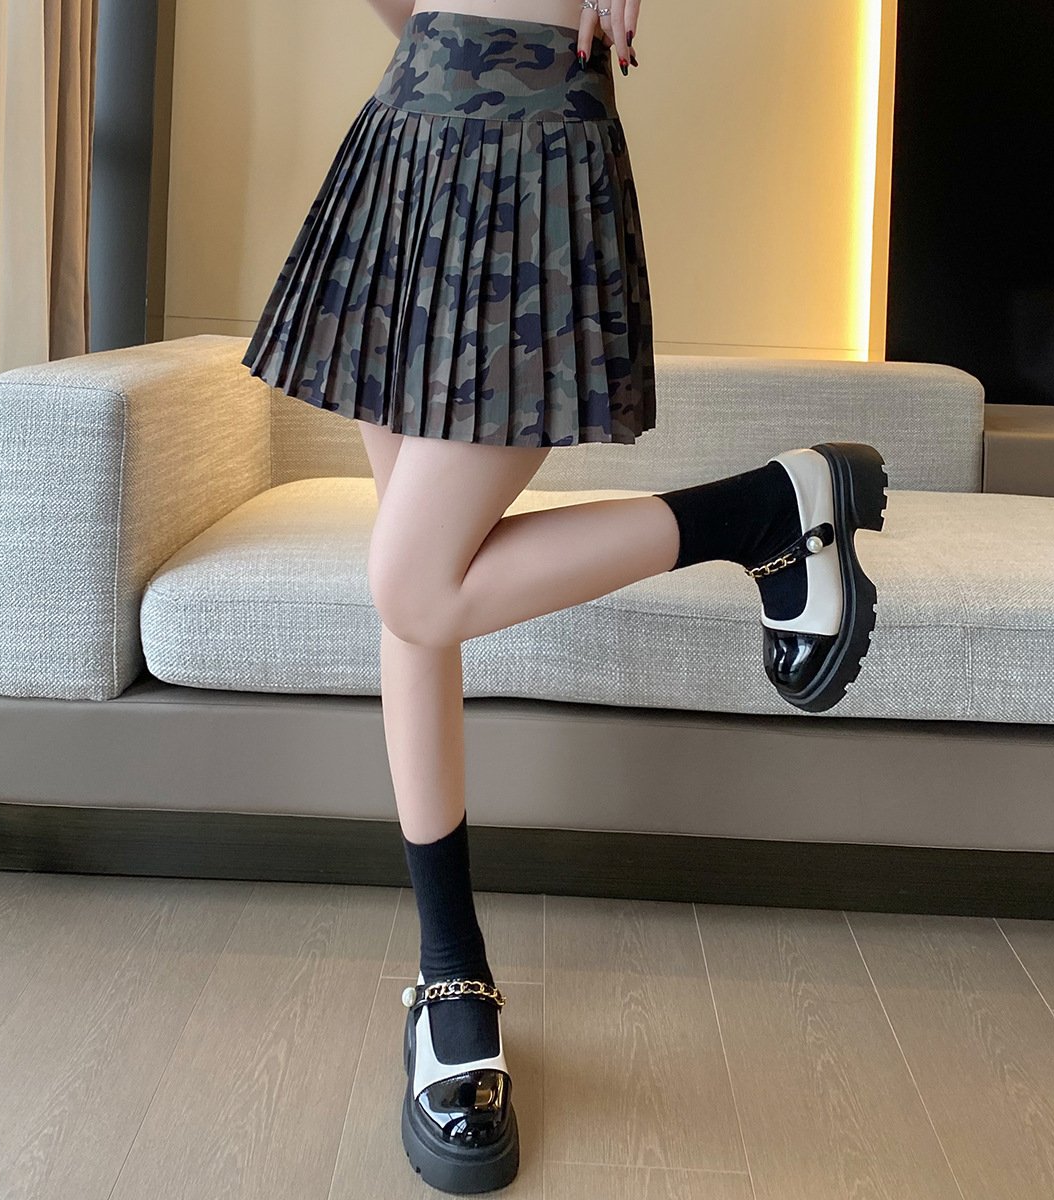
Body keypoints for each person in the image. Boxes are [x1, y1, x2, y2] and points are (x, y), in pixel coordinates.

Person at [241, 1, 889, 1192]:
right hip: (411, 131)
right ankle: (451, 971)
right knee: (416, 589)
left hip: (535, 140)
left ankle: (765, 512)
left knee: (413, 583)